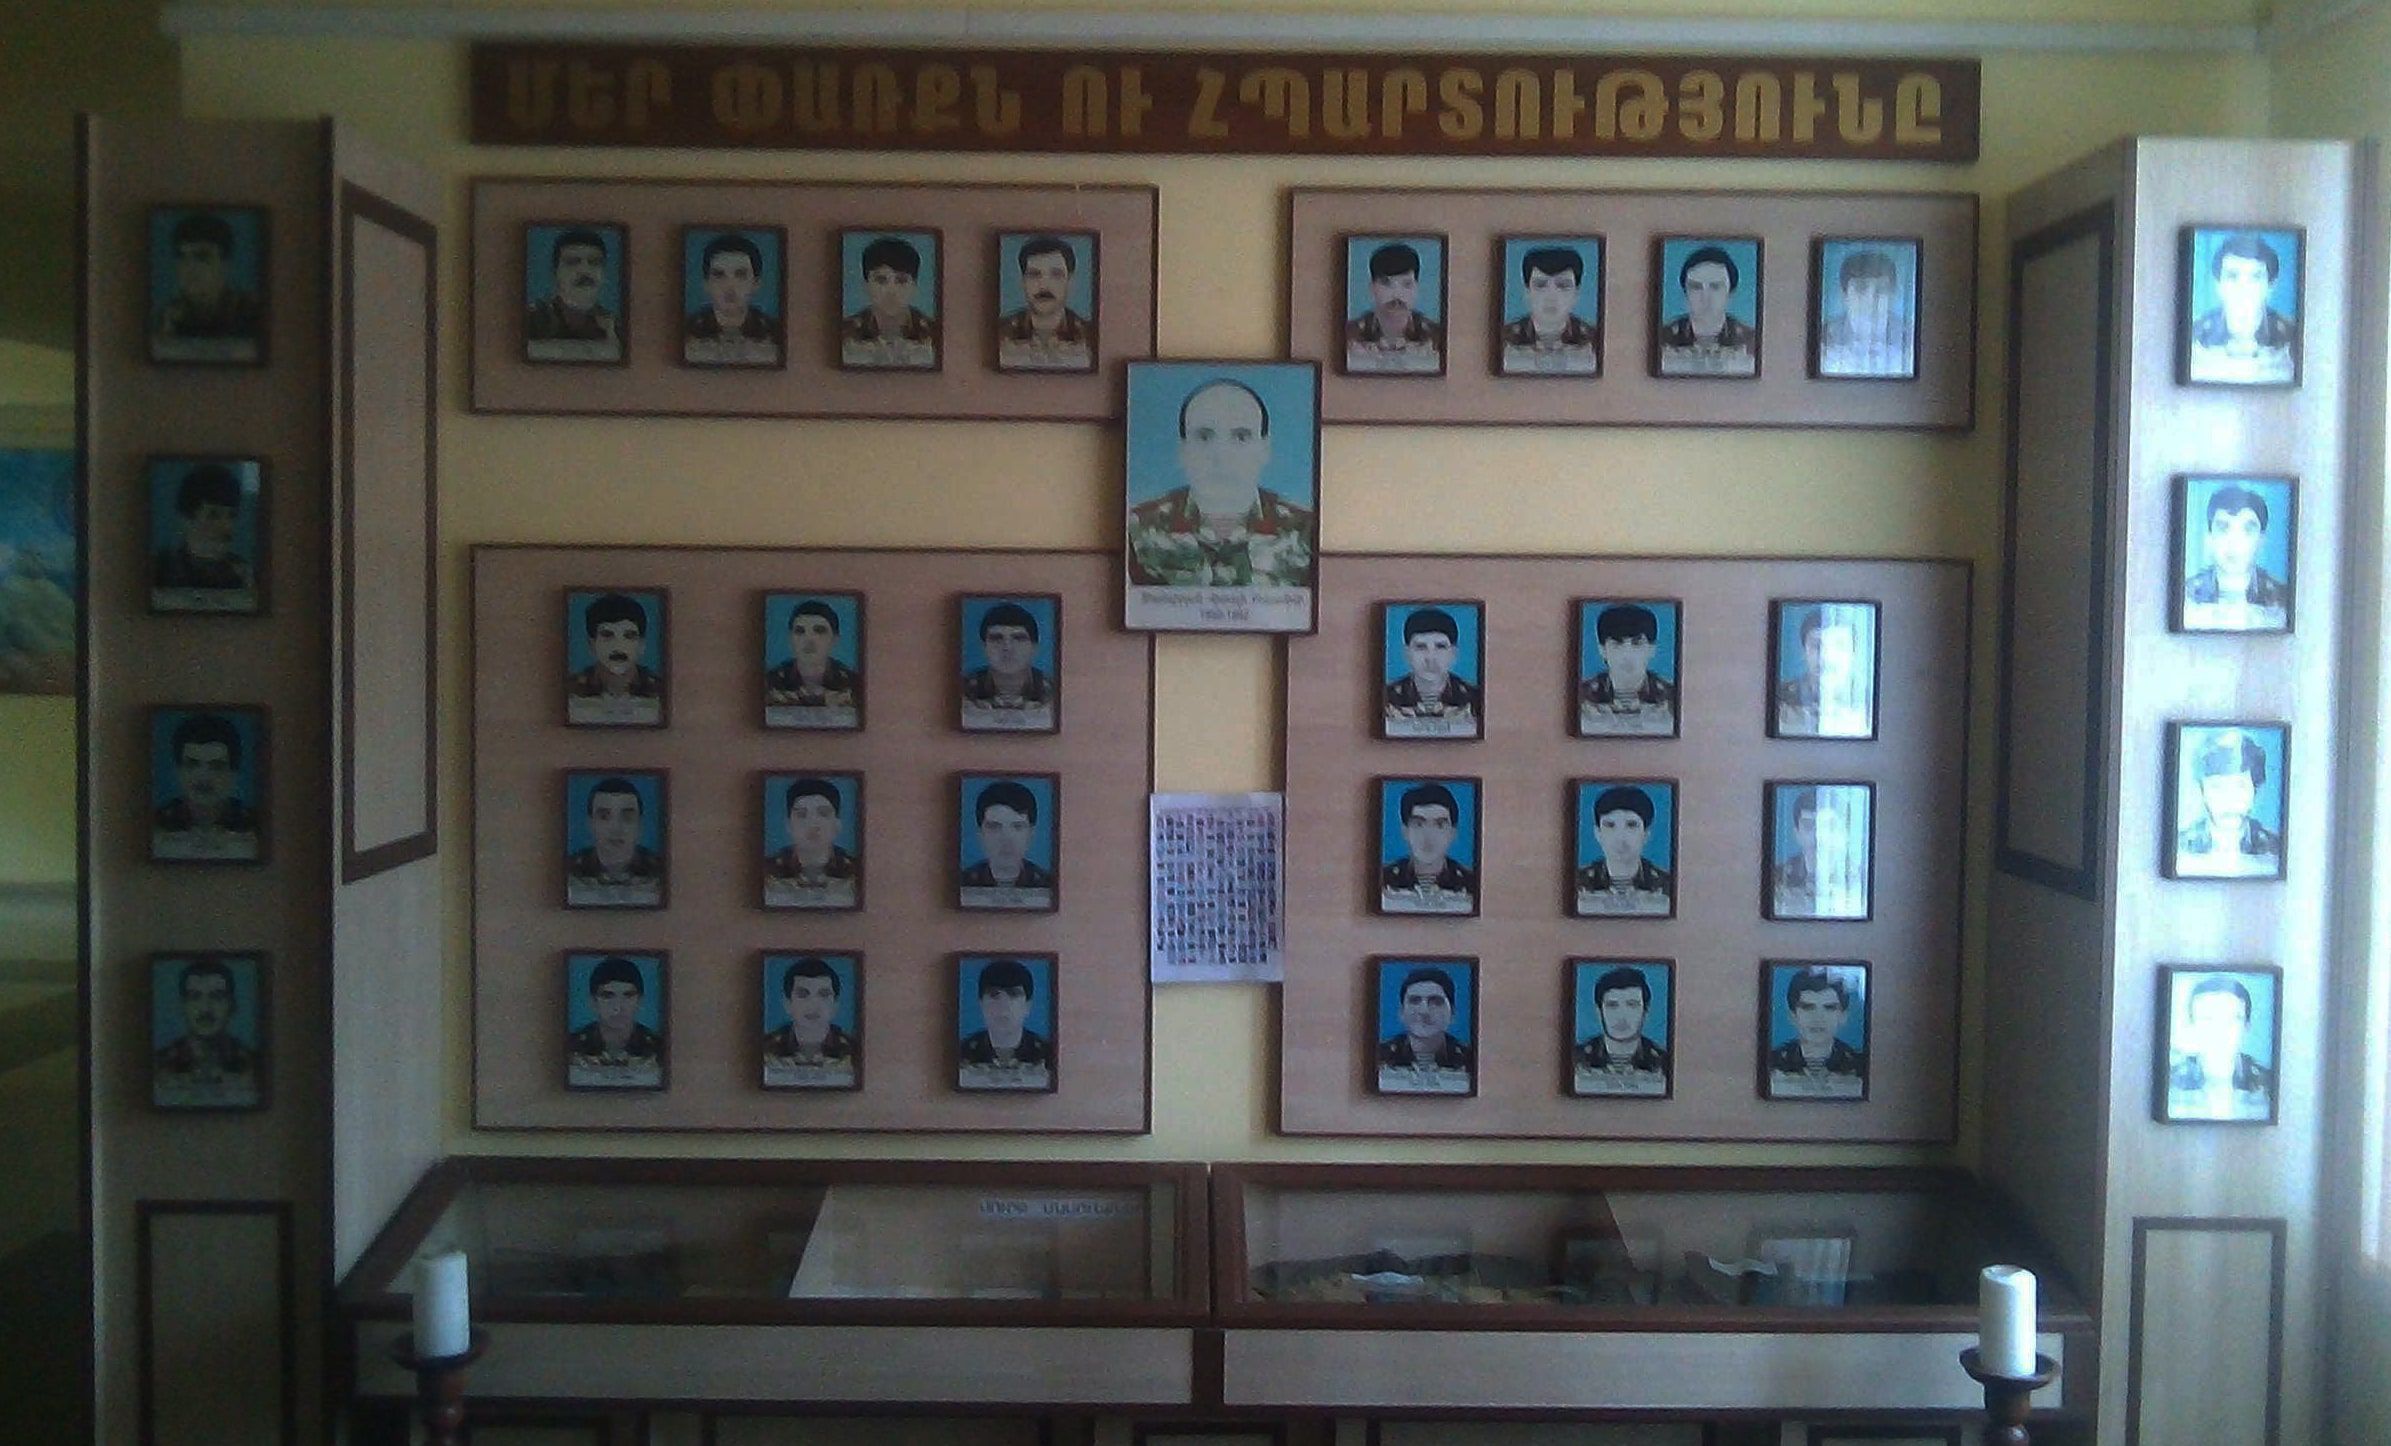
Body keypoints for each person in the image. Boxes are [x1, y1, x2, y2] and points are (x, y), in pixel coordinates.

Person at [1126, 378, 1316, 590]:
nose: (1221, 455)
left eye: (1241, 437)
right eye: (1204, 437)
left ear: (1265, 449)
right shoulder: (1137, 528)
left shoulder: (1306, 530)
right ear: (1182, 449)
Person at [2187, 232, 2297, 385]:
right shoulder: (2195, 336)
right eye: (2233, 276)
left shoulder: (2293, 338)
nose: (2243, 288)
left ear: (2270, 287)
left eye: (2255, 277)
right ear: (2218, 285)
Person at [2183, 483, 2292, 631]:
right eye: (2223, 528)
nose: (2234, 542)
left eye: (2247, 530)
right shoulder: (2186, 596)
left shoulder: (2283, 599)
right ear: (2209, 537)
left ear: (2261, 541)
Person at [152, 712, 261, 860]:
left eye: (217, 766)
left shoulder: (256, 827)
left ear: (234, 773)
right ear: (178, 771)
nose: (203, 777)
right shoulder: (155, 827)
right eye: (192, 764)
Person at [2175, 729, 2283, 878]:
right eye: (2217, 787)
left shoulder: (2275, 848)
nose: (2230, 799)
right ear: (2202, 790)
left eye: (2240, 786)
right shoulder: (2180, 846)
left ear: (2254, 788)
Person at [153, 212, 264, 357]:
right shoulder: (168, 316)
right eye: (182, 257)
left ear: (225, 265)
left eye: (202, 257)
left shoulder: (250, 313)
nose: (189, 267)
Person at [153, 956, 260, 1106]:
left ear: (232, 1005)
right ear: (182, 1006)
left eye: (217, 997)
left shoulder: (255, 1067)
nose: (205, 1009)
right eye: (195, 997)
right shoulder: (158, 1066)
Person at [2166, 975, 2274, 1120]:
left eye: (2231, 1020)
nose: (2219, 1031)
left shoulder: (2269, 1083)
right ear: (2192, 1027)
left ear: (2246, 1027)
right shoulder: (2169, 1081)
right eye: (2207, 1019)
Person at [152, 462, 254, 603]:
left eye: (232, 515)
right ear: (186, 520)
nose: (227, 526)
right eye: (213, 515)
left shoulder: (242, 573)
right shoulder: (160, 568)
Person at [995, 234, 1096, 371]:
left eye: (1056, 274)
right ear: (1023, 282)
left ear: (1070, 281)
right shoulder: (999, 335)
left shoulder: (1091, 337)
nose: (1044, 286)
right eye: (1034, 274)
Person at [1657, 244, 1758, 377]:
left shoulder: (1751, 341)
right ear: (1685, 292)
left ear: (1731, 292)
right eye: (1696, 287)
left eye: (1715, 287)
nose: (1706, 297)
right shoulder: (1662, 339)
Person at [1765, 966, 1866, 1099]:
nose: (1818, 1018)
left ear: (1843, 1016)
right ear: (1792, 1015)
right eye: (1808, 1007)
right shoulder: (1772, 1063)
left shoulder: (1860, 1066)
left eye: (1829, 1008)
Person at [1343, 242, 1444, 374]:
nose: (1396, 294)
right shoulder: (1348, 337)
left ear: (1416, 288)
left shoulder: (1438, 338)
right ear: (1372, 288)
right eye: (1386, 283)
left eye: (1406, 284)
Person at [839, 235, 938, 368]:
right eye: (881, 280)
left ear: (914, 286)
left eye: (901, 281)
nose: (891, 291)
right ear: (866, 285)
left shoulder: (935, 334)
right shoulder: (845, 333)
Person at [683, 232, 781, 366]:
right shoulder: (685, 332)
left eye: (740, 275)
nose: (730, 286)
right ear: (706, 284)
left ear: (756, 284)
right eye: (719, 275)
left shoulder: (776, 334)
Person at [1378, 782, 1477, 915]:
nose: (1429, 835)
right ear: (1405, 831)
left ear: (1453, 833)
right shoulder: (1384, 879)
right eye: (1419, 824)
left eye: (1440, 825)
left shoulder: (1471, 883)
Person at [1578, 603, 1677, 736]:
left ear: (1652, 649)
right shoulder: (1581, 697)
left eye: (1637, 643)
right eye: (1617, 644)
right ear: (1602, 650)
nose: (1627, 654)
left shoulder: (1673, 697)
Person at [1575, 785, 1674, 917]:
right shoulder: (1577, 883)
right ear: (1597, 834)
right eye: (1610, 825)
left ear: (1646, 834)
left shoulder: (1668, 885)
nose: (1620, 838)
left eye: (1631, 825)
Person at [1499, 245, 1599, 375]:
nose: (1551, 296)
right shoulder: (1503, 340)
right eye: (1540, 285)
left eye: (1563, 286)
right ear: (1527, 292)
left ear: (1576, 294)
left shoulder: (1596, 341)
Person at [523, 227, 621, 358]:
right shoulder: (531, 321)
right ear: (555, 272)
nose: (585, 270)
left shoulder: (616, 327)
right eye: (572, 262)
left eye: (594, 262)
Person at [1815, 247, 1913, 378]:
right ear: (1844, 295)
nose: (1871, 300)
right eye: (1861, 288)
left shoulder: (1910, 339)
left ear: (1893, 295)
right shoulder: (1822, 340)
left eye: (1881, 289)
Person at [1382, 607, 1481, 735]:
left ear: (1453, 653)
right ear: (1407, 653)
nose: (1430, 658)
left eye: (1440, 647)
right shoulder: (1387, 698)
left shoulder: (1474, 699)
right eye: (1420, 647)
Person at [567, 593, 663, 724]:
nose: (618, 647)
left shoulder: (661, 691)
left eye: (629, 636)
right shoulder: (570, 691)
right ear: (591, 644)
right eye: (607, 635)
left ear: (642, 645)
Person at [958, 957, 1054, 1088]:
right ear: (981, 1004)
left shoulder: (1048, 1055)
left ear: (1028, 1005)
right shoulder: (962, 1054)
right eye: (994, 995)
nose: (1003, 1005)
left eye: (1013, 994)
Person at [1573, 966, 1669, 1096]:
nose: (1622, 1016)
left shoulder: (1664, 1062)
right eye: (1612, 1005)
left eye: (1632, 1005)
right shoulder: (1577, 1059)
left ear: (1646, 1010)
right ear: (1599, 1011)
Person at [1375, 966, 1474, 1093]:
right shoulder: (1380, 1056)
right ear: (1401, 1013)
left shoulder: (1471, 1059)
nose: (1424, 1011)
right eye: (1414, 1001)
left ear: (1452, 1013)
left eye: (1436, 1002)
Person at [566, 776, 663, 905]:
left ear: (640, 825)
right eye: (604, 817)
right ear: (590, 824)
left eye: (627, 817)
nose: (616, 828)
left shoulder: (661, 873)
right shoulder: (569, 872)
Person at [567, 955, 663, 1084]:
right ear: (593, 1002)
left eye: (628, 996)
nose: (618, 1007)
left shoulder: (659, 1049)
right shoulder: (571, 1047)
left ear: (640, 1001)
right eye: (608, 996)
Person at [765, 777, 859, 908]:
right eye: (802, 815)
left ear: (837, 825)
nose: (813, 824)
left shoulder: (856, 873)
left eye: (823, 814)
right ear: (788, 825)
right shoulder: (768, 874)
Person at [1774, 606, 1869, 737]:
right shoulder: (1779, 700)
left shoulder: (1869, 703)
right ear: (1804, 651)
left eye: (1839, 645)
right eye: (1817, 645)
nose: (1826, 656)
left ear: (1853, 653)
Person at [764, 599, 863, 723]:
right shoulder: (770, 683)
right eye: (800, 631)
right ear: (790, 639)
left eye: (819, 631)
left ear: (835, 639)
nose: (809, 639)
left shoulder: (854, 684)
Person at [960, 779, 1056, 907]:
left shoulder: (1047, 883)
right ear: (980, 834)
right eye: (994, 827)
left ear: (1031, 834)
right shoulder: (962, 881)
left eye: (1017, 827)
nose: (1006, 838)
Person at [1771, 787, 1864, 919]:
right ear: (1797, 833)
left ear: (1846, 833)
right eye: (1809, 825)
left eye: (1829, 826)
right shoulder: (1776, 882)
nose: (1818, 835)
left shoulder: (1863, 881)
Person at [959, 602, 1056, 728]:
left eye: (1018, 638)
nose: (1007, 647)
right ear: (984, 647)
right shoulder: (960, 693)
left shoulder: (1057, 694)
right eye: (997, 638)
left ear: (1034, 647)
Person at [762, 956, 857, 1084]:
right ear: (787, 1004)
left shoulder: (854, 1051)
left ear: (835, 1005)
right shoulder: (766, 1049)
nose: (813, 1005)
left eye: (823, 995)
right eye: (803, 994)